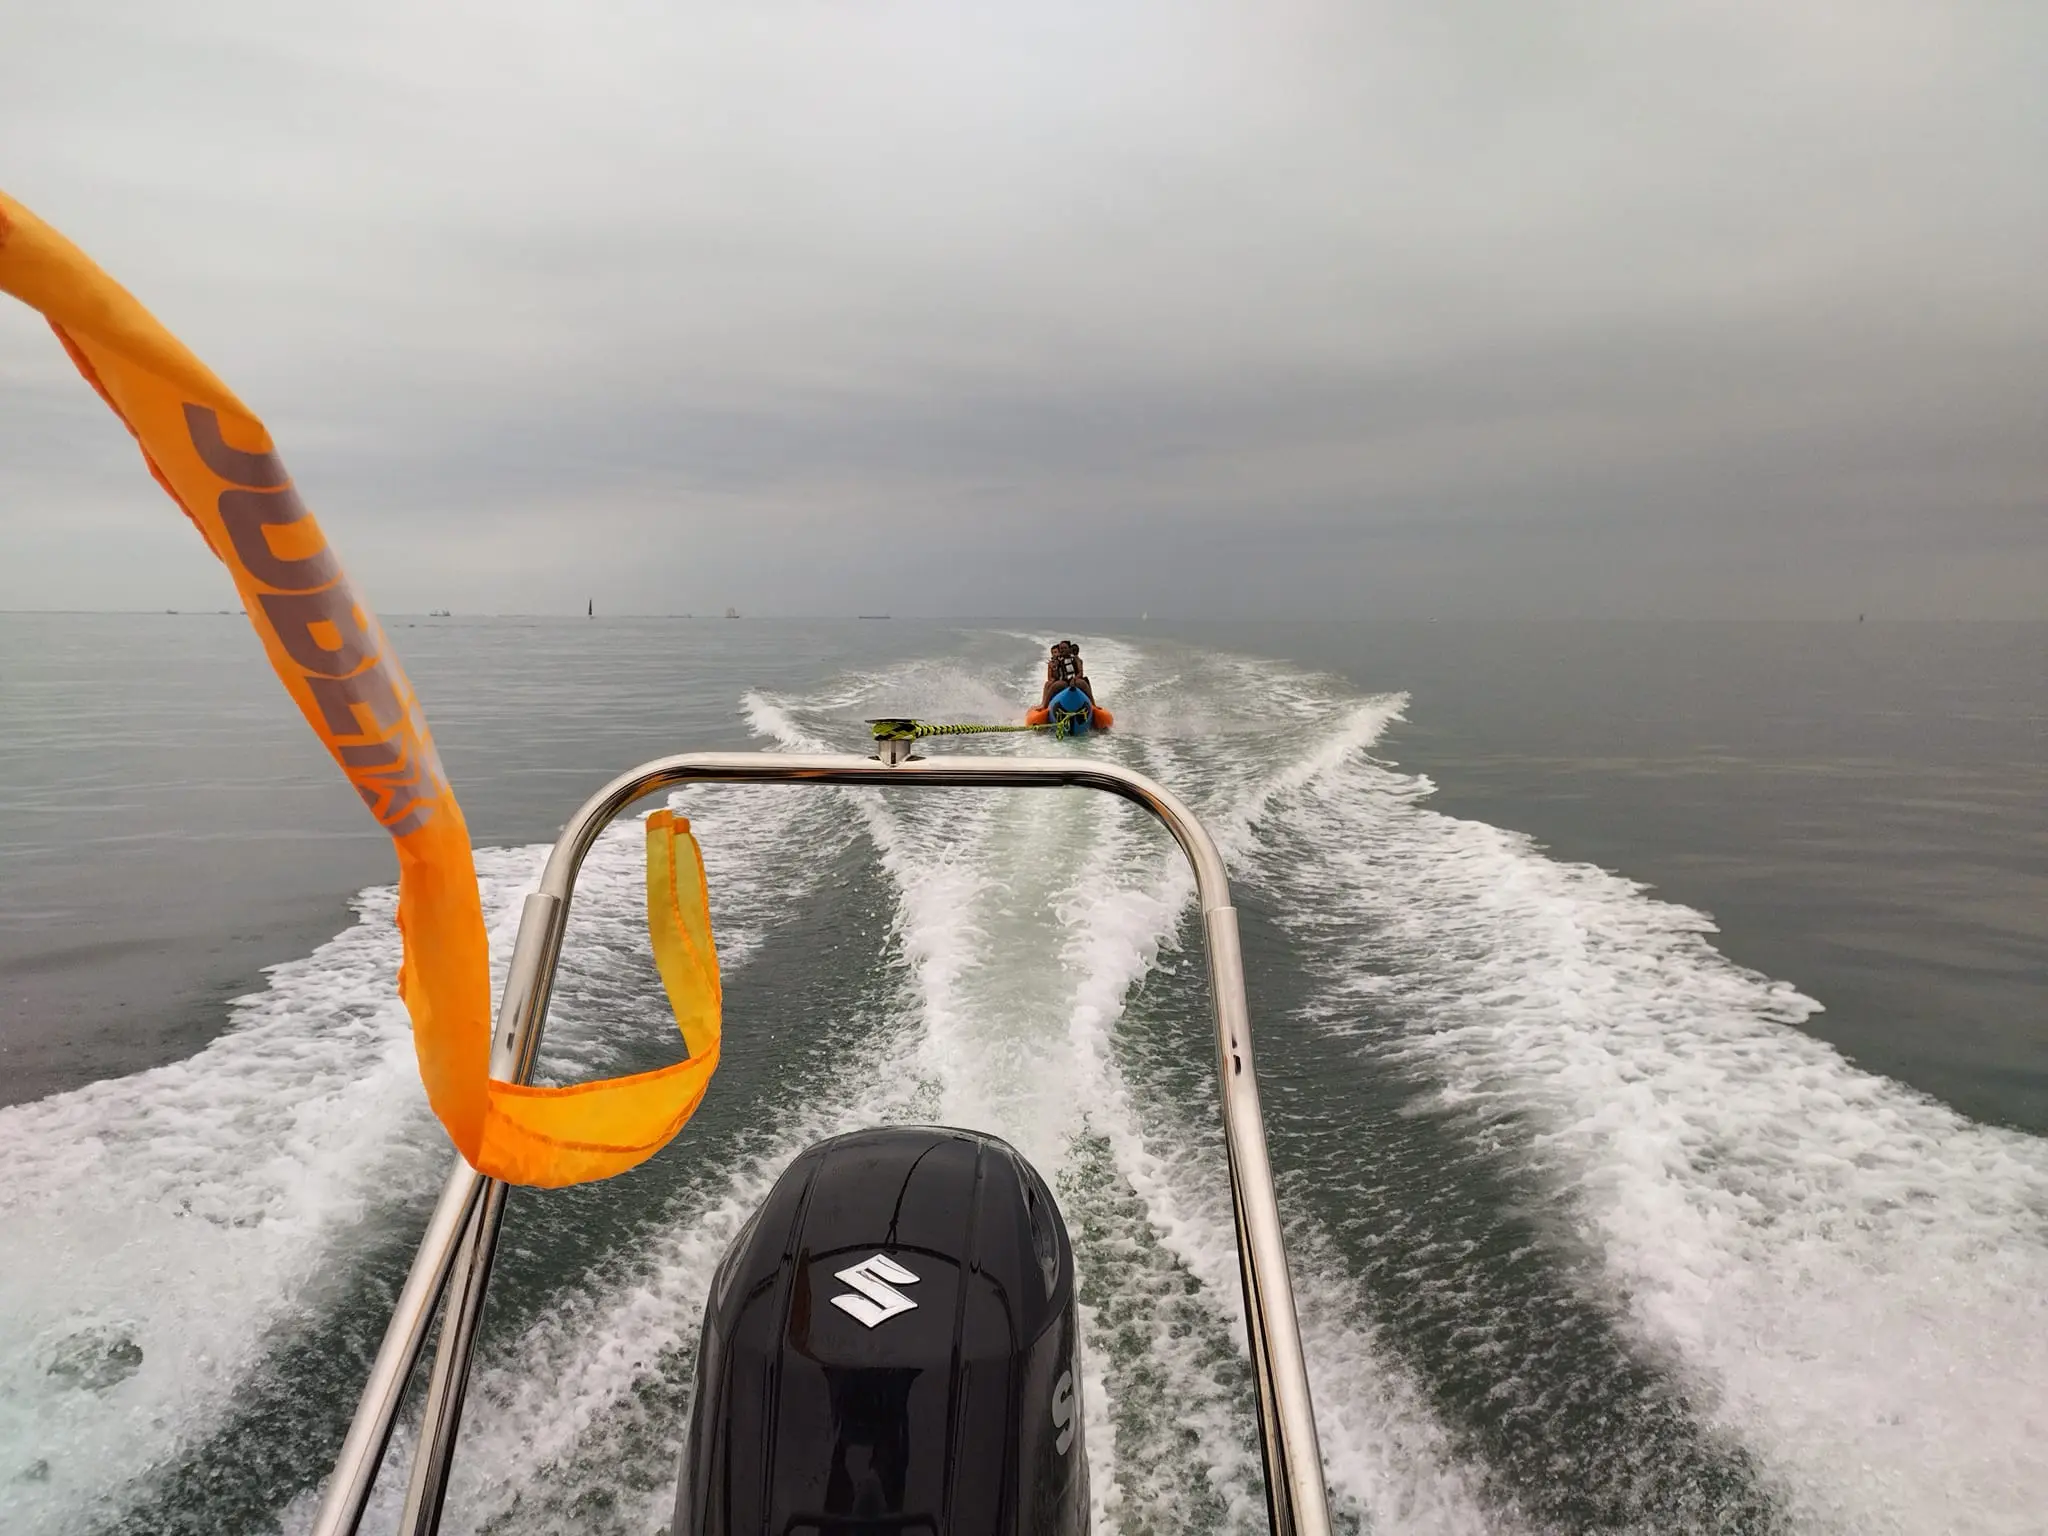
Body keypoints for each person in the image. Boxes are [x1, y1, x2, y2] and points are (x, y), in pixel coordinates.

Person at [1039, 641, 1095, 709]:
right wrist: (1054, 668)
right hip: (1064, 681)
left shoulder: (1075, 658)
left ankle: (1093, 705)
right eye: (1061, 648)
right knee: (1054, 687)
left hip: (1075, 679)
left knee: (1083, 683)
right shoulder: (1058, 660)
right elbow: (1056, 675)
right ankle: (1045, 706)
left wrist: (1074, 679)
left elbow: (1080, 673)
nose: (1063, 650)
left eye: (1065, 648)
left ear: (1069, 649)